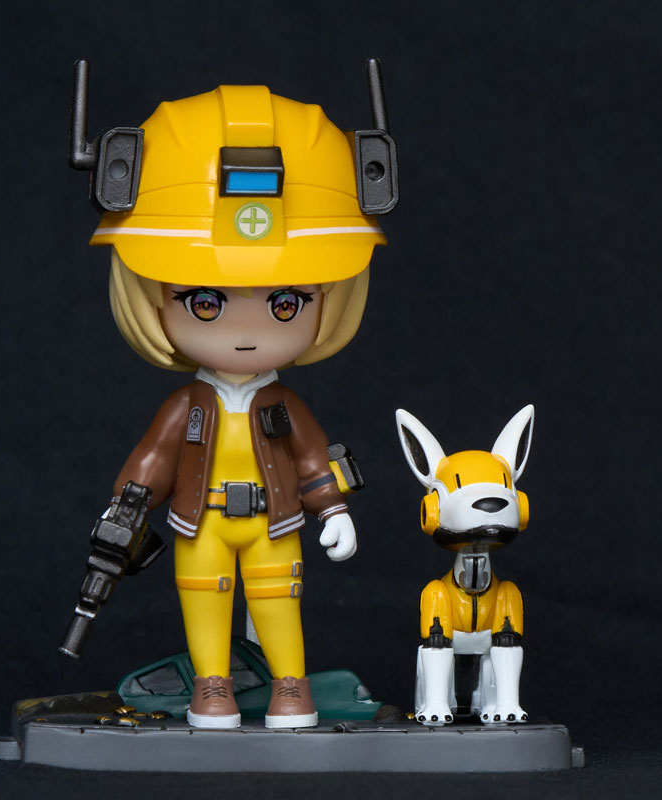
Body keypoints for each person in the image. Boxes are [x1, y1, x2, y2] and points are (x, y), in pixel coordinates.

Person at [83, 79, 394, 728]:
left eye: (286, 302)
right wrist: (126, 506)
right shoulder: (187, 405)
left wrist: (333, 507)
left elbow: (312, 458)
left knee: (278, 602)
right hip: (201, 521)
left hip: (275, 521)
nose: (245, 328)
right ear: (149, 295)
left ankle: (290, 687)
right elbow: (153, 460)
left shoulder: (283, 403)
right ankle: (212, 686)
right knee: (204, 601)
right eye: (205, 302)